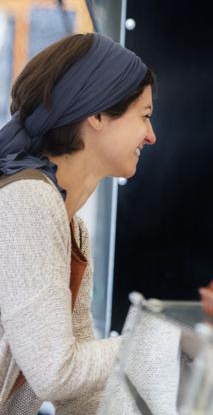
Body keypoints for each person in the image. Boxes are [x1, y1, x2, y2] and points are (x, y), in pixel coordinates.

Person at [0, 33, 157, 414]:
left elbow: (79, 392)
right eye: (145, 116)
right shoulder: (28, 202)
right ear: (98, 115)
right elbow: (55, 371)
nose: (152, 136)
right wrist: (163, 341)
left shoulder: (71, 226)